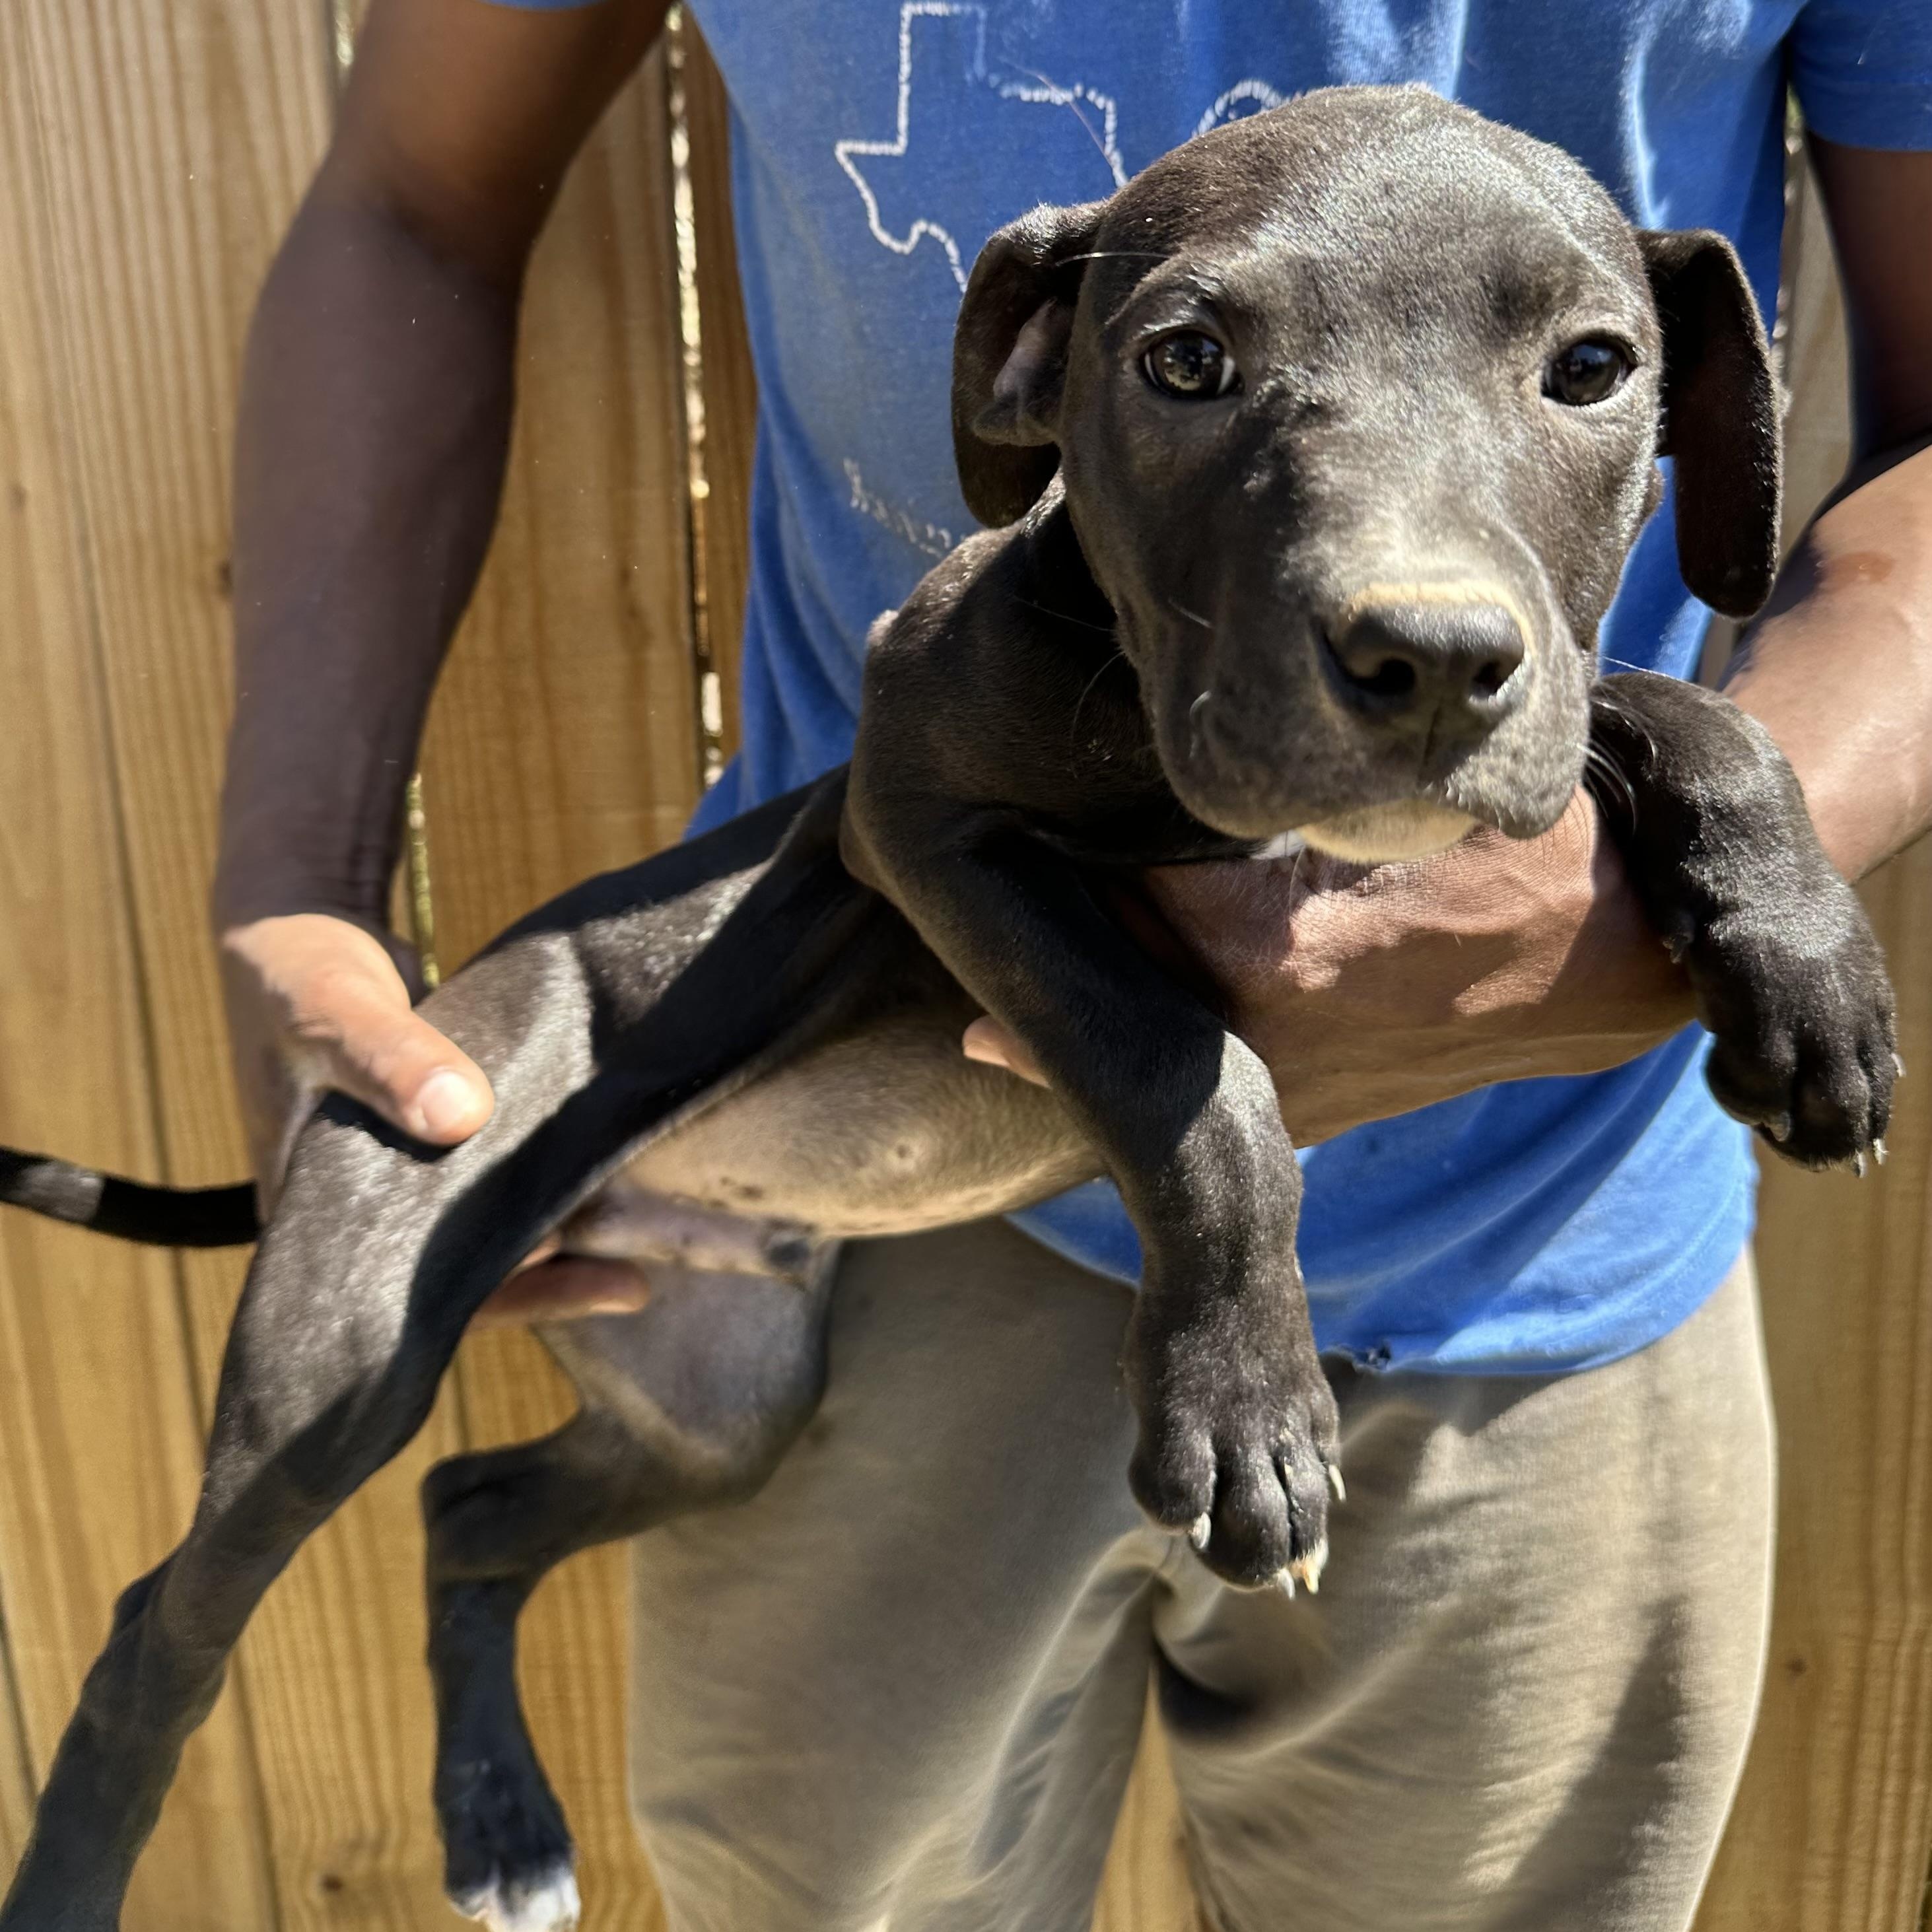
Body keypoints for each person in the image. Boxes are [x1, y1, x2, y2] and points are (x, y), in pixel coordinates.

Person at [215, 1, 1932, 1924]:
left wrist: (1667, 893)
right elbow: (415, 196)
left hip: (1546, 1220)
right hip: (883, 1146)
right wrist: (300, 877)